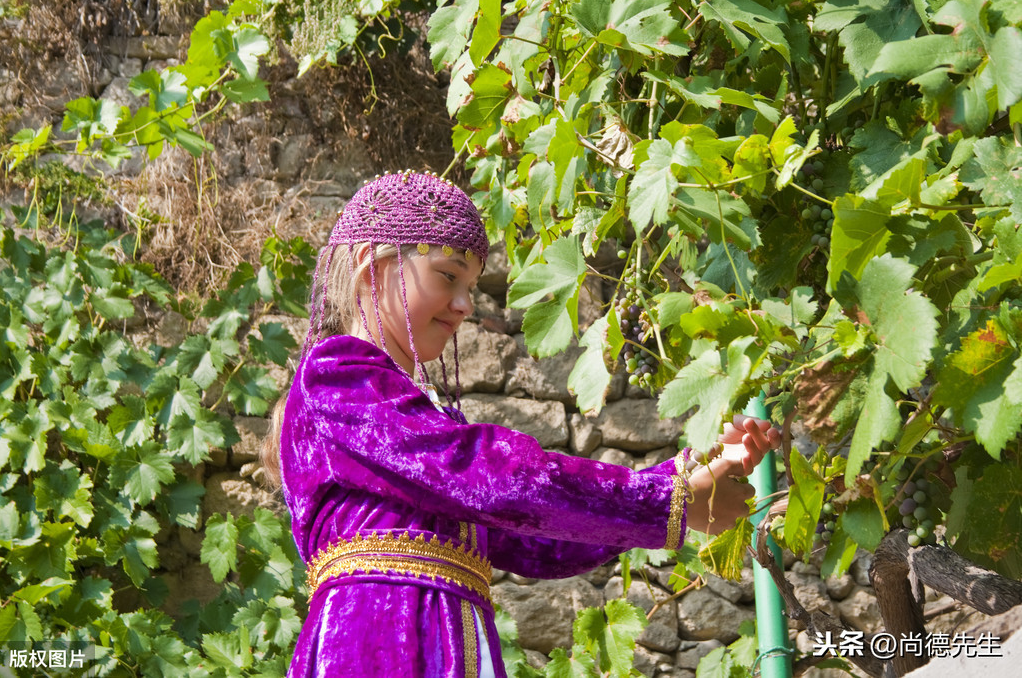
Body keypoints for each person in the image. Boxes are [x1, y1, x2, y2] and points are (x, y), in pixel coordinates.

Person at [261, 171, 781, 678]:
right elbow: (495, 479)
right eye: (449, 275)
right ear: (371, 266)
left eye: (469, 284)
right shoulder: (336, 375)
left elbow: (538, 542)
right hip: (373, 645)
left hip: (457, 641)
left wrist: (683, 485)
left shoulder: (415, 412)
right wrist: (666, 494)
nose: (465, 305)